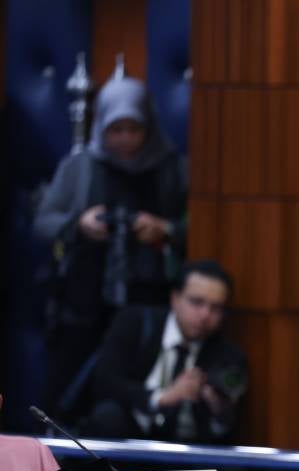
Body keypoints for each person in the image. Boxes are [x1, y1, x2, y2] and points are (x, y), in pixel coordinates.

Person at [35, 76, 187, 423]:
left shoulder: (173, 170)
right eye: (115, 129)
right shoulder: (81, 167)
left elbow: (203, 227)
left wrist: (166, 230)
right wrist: (79, 224)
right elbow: (43, 222)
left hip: (147, 305)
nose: (125, 140)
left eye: (134, 129)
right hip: (84, 302)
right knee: (66, 395)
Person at [85, 260, 247, 443]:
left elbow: (221, 431)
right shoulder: (135, 323)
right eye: (196, 302)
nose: (205, 315)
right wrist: (162, 397)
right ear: (175, 299)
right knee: (108, 417)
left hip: (184, 451)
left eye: (216, 308)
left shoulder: (227, 355)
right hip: (131, 438)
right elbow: (104, 383)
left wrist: (220, 410)